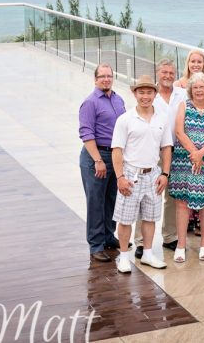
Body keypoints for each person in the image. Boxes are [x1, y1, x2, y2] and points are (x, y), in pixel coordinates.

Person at [111, 75, 172, 272]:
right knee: (126, 219)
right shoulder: (125, 119)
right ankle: (123, 256)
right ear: (135, 93)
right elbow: (117, 150)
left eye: (149, 92)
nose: (145, 96)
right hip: (131, 174)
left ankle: (147, 253)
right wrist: (120, 177)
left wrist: (165, 174)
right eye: (141, 92)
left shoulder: (162, 119)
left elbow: (166, 148)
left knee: (150, 217)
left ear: (155, 94)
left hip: (153, 173)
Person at [168, 72, 204, 263]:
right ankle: (181, 246)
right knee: (182, 202)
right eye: (195, 87)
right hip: (184, 160)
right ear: (190, 90)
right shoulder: (184, 105)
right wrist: (194, 153)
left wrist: (201, 154)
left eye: (202, 87)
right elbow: (179, 131)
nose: (199, 90)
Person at [78, 63, 127, 262]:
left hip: (114, 156)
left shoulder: (118, 99)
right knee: (96, 202)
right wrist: (98, 160)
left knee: (111, 199)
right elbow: (86, 133)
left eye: (109, 76)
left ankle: (108, 236)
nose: (106, 79)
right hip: (95, 157)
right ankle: (96, 245)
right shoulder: (90, 102)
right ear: (95, 79)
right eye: (102, 76)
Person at [153, 59, 187, 252]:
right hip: (155, 151)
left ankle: (170, 236)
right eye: (164, 72)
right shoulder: (151, 95)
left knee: (172, 197)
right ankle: (141, 241)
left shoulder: (182, 94)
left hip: (178, 150)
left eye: (171, 73)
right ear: (158, 73)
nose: (167, 76)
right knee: (149, 194)